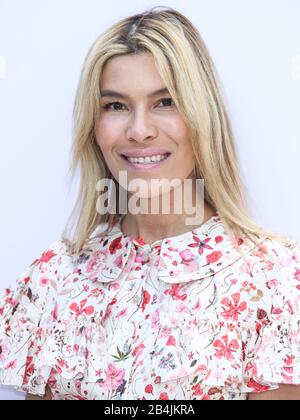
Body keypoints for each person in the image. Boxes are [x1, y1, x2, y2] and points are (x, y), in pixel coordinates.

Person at [0, 7, 299, 401]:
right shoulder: (50, 281)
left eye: (165, 102)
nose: (139, 131)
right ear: (94, 125)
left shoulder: (275, 281)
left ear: (202, 116)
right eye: (116, 106)